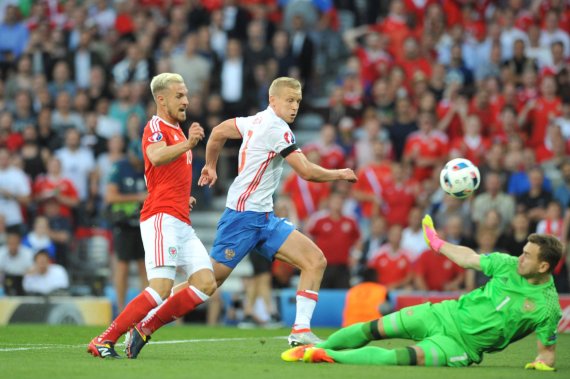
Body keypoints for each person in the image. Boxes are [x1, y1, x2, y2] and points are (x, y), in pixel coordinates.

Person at [281, 215, 562, 371]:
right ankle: (318, 346)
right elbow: (468, 258)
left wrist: (542, 363)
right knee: (374, 329)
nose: (520, 258)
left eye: (527, 256)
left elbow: (547, 352)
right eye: (523, 252)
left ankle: (319, 355)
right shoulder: (509, 264)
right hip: (443, 313)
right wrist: (438, 243)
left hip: (461, 347)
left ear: (544, 265)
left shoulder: (547, 307)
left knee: (397, 359)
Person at [195, 77, 356, 347]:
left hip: (264, 217)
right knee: (208, 283)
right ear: (273, 100)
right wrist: (339, 173)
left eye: (298, 102)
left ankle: (301, 330)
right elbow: (305, 171)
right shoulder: (278, 129)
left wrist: (211, 165)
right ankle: (153, 311)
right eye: (289, 101)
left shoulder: (253, 121)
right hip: (243, 216)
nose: (295, 107)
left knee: (315, 261)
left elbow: (219, 132)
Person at [87, 73, 216, 359]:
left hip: (180, 217)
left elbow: (163, 174)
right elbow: (156, 157)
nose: (186, 100)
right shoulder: (156, 127)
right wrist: (189, 144)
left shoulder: (178, 130)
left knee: (206, 283)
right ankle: (103, 339)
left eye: (186, 95)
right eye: (179, 96)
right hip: (160, 217)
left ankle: (144, 329)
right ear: (161, 99)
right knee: (160, 287)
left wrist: (185, 196)